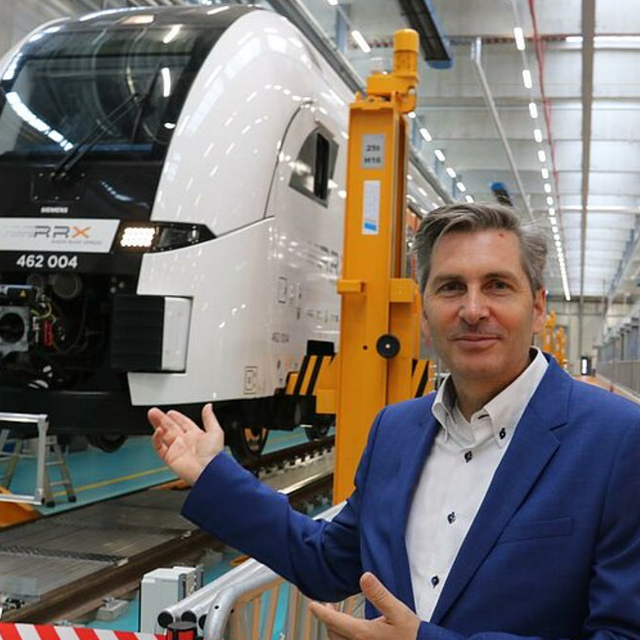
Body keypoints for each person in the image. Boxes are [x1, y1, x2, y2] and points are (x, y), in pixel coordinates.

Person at [149, 203, 640, 640]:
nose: (473, 310)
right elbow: (327, 562)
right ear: (424, 312)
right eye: (450, 287)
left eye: (497, 285)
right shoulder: (396, 430)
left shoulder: (616, 438)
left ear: (537, 306)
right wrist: (213, 475)